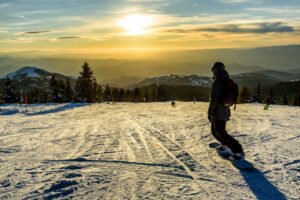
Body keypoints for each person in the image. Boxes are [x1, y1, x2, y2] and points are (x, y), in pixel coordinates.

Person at [208, 62, 245, 160]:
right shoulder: (227, 80)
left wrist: (210, 112)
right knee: (215, 131)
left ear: (215, 70)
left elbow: (214, 99)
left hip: (218, 111)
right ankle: (226, 146)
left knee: (221, 133)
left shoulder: (218, 82)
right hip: (224, 110)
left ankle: (238, 151)